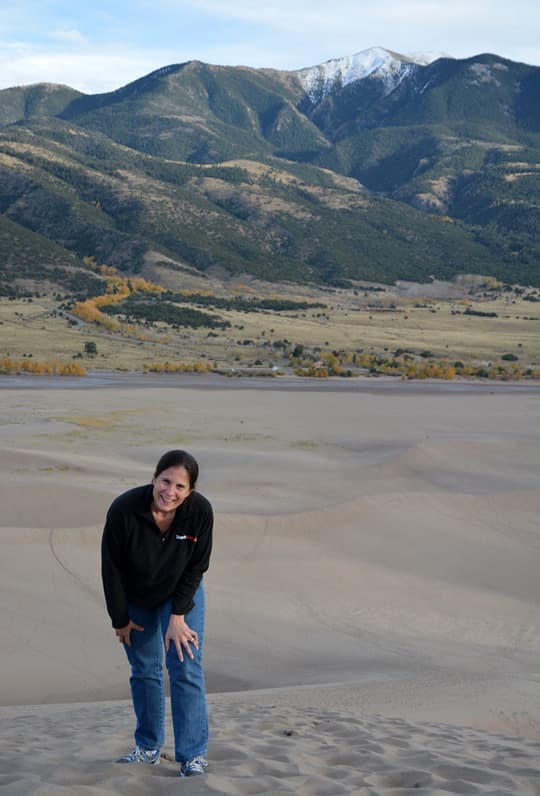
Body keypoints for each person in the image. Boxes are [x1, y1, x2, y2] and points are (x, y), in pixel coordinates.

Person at [101, 449, 213, 777]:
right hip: (137, 597)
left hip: (180, 594)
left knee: (185, 666)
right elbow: (111, 568)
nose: (170, 492)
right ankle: (148, 747)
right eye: (166, 481)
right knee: (145, 671)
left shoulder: (200, 512)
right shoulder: (124, 509)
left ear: (190, 491)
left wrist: (178, 616)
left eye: (180, 487)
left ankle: (192, 756)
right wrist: (119, 619)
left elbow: (198, 565)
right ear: (154, 478)